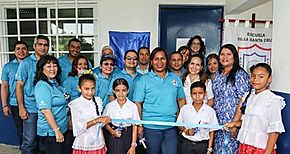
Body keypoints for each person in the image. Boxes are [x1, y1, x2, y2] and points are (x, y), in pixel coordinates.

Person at [133, 47, 186, 154]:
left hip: (171, 127)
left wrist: (181, 121)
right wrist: (139, 125)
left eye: (162, 58)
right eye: (156, 59)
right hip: (150, 127)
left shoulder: (175, 79)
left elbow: (181, 100)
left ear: (167, 61)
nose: (159, 62)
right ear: (151, 62)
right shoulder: (143, 80)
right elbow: (138, 103)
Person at [226, 63, 285, 154]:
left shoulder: (273, 100)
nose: (255, 80)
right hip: (244, 146)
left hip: (261, 149)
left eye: (261, 77)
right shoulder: (248, 96)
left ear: (269, 79)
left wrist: (267, 152)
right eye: (253, 76)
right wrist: (234, 124)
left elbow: (274, 131)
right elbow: (250, 122)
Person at [212, 44, 251, 154]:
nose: (225, 57)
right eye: (222, 54)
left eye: (228, 54)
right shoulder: (218, 74)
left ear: (234, 57)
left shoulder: (240, 75)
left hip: (232, 122)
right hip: (218, 123)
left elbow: (244, 100)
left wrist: (235, 123)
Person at [15, 35, 49, 153]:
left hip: (47, 108)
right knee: (29, 141)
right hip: (31, 108)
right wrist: (21, 108)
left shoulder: (49, 62)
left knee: (44, 142)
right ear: (34, 46)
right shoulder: (26, 63)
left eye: (45, 45)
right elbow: (19, 86)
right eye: (40, 44)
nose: (43, 47)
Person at [69, 74, 111, 154]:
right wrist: (97, 120)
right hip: (84, 143)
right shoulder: (75, 104)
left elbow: (99, 127)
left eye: (92, 89)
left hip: (99, 143)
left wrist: (104, 142)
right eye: (86, 89)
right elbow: (77, 128)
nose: (90, 92)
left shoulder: (97, 101)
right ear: (79, 88)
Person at [34, 55, 68, 154]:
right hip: (50, 134)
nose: (52, 69)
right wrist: (57, 131)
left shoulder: (55, 83)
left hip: (61, 130)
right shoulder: (42, 86)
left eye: (55, 65)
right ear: (42, 69)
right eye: (48, 66)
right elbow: (45, 111)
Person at [177, 81, 218, 154]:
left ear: (205, 94)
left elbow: (212, 131)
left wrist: (209, 149)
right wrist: (186, 130)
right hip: (187, 143)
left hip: (202, 145)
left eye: (200, 93)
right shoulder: (185, 109)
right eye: (194, 93)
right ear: (190, 95)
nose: (197, 96)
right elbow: (179, 124)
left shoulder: (210, 111)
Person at [1, 41, 29, 147]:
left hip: (32, 103)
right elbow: (4, 86)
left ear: (28, 51)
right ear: (14, 51)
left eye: (23, 48)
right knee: (21, 131)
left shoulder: (32, 64)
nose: (21, 51)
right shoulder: (8, 67)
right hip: (15, 103)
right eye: (18, 48)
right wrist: (4, 105)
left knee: (34, 132)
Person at [103, 78, 140, 154]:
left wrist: (133, 145)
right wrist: (112, 132)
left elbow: (135, 126)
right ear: (113, 91)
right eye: (117, 90)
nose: (121, 93)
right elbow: (104, 123)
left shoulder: (133, 106)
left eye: (123, 90)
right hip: (114, 135)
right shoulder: (109, 106)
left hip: (128, 135)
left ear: (128, 91)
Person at [62, 55, 89, 153]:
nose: (83, 66)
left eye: (85, 64)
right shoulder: (69, 81)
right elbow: (66, 102)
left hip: (88, 117)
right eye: (80, 64)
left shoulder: (90, 80)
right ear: (75, 67)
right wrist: (69, 119)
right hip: (74, 117)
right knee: (71, 143)